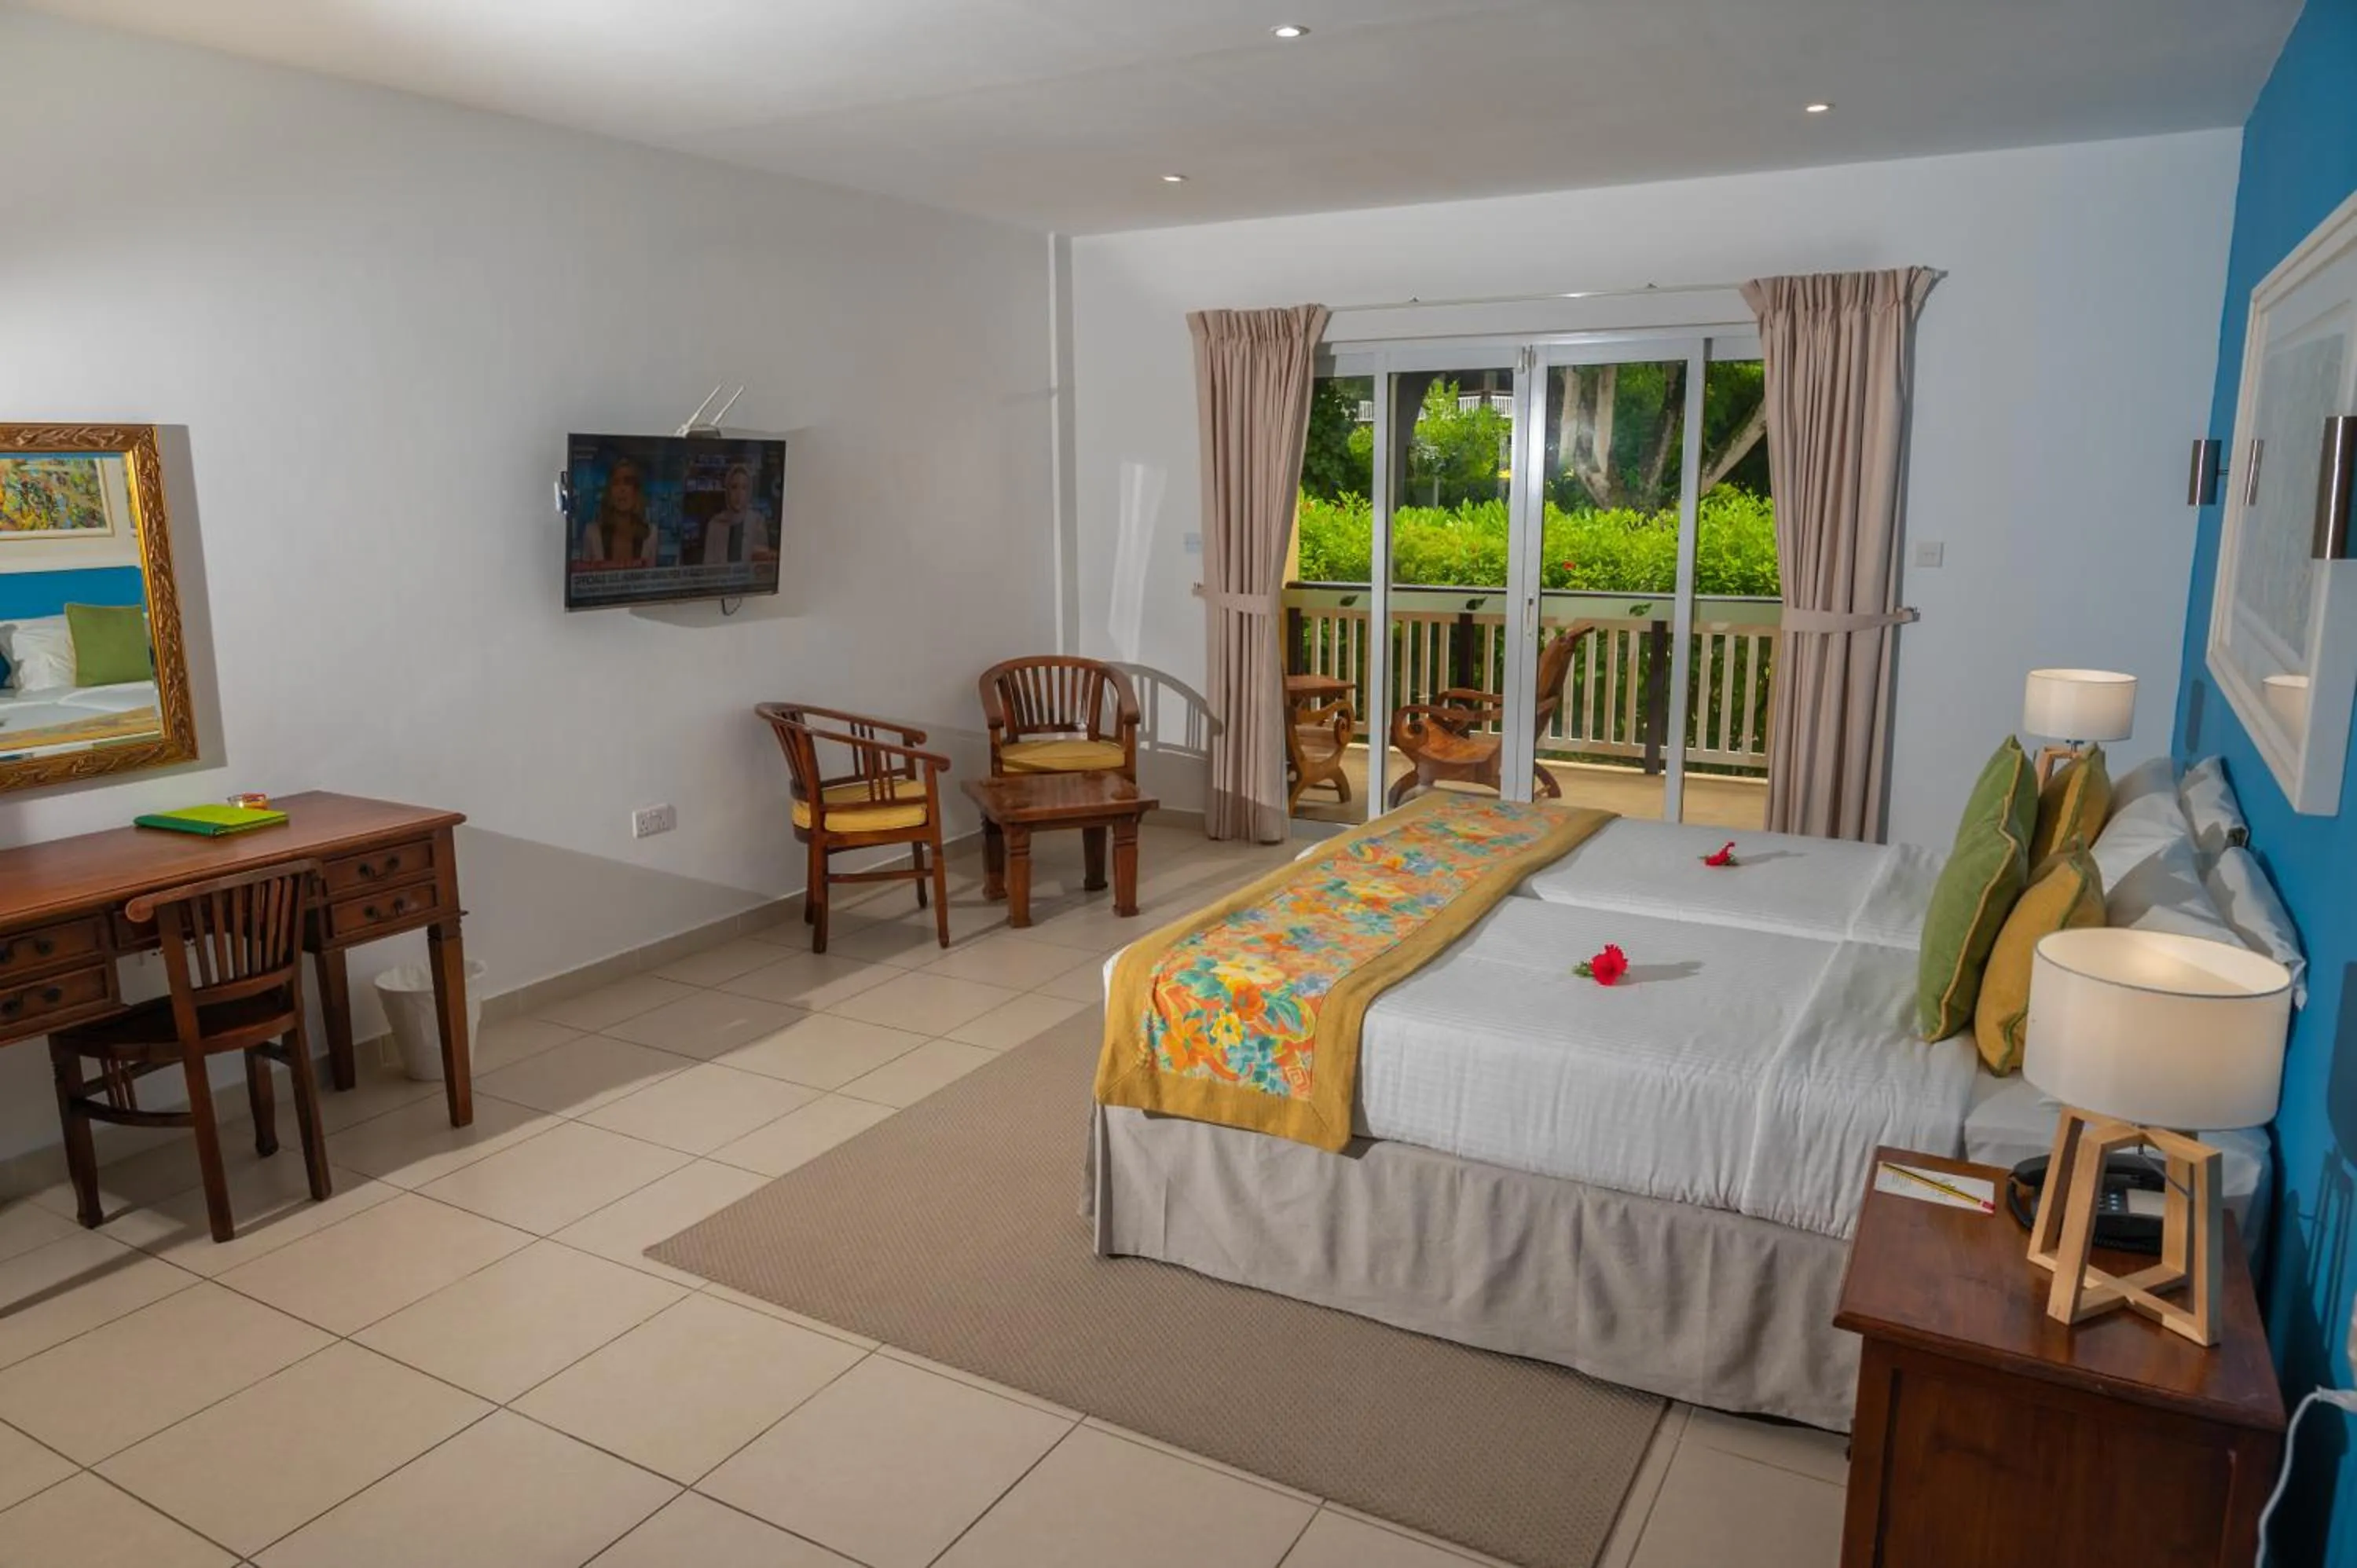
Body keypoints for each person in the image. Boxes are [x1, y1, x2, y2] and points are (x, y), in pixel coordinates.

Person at [579, 456, 655, 564]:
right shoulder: (592, 533)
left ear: (636, 491)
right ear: (609, 492)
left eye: (628, 483)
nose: (622, 489)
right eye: (616, 483)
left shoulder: (652, 534)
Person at [698, 463, 775, 565]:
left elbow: (762, 564)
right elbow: (708, 566)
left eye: (744, 488)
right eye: (734, 487)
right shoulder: (715, 524)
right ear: (728, 491)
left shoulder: (757, 522)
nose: (739, 494)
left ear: (749, 492)